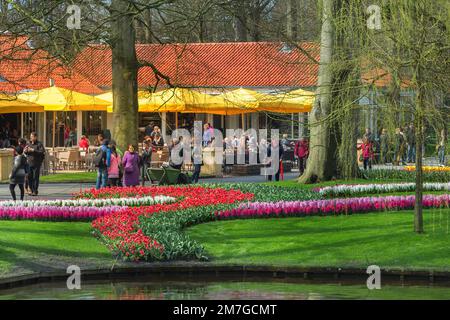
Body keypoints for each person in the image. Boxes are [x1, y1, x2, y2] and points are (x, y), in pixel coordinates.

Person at [24, 132, 45, 196]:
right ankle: (31, 190)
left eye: (32, 136)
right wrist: (25, 151)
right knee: (29, 177)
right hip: (29, 163)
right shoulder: (29, 144)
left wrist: (33, 150)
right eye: (30, 136)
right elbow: (27, 153)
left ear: (35, 137)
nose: (31, 138)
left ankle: (35, 191)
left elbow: (42, 152)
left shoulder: (39, 144)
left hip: (36, 163)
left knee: (35, 177)